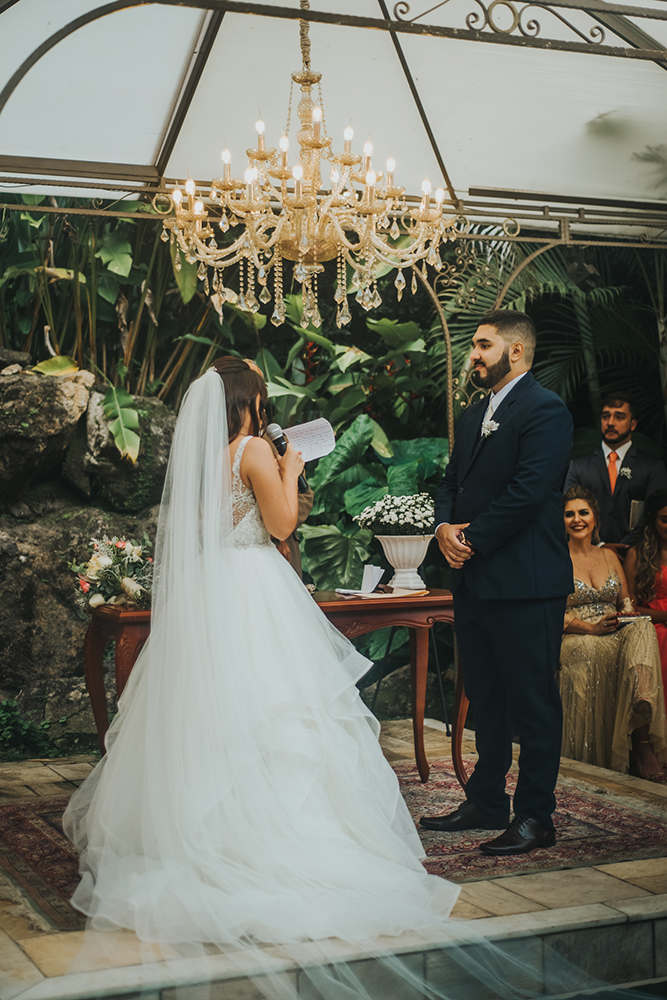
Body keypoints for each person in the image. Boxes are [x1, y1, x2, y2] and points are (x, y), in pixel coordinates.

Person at [63, 357, 459, 950]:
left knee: (212, 713)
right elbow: (279, 525)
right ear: (248, 395)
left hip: (210, 586)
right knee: (276, 709)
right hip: (253, 587)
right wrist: (293, 465)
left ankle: (205, 835)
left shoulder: (205, 458)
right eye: (261, 385)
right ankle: (277, 841)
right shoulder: (251, 450)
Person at [421, 310, 574, 855]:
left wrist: (472, 539)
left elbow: (530, 491)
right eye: (473, 347)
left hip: (526, 583)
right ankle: (487, 799)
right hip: (475, 583)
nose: (473, 355)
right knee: (484, 698)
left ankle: (536, 816)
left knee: (533, 702)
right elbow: (450, 481)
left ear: (515, 352)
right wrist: (443, 528)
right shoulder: (472, 415)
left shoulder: (546, 410)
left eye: (483, 345)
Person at [559, 486, 667, 780]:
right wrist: (591, 628)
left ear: (594, 518)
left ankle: (642, 726)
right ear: (563, 521)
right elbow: (552, 614)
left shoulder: (608, 556)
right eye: (569, 514)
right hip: (576, 632)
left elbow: (626, 600)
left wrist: (627, 615)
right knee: (591, 649)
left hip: (612, 627)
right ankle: (593, 757)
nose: (577, 519)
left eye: (583, 512)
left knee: (643, 624)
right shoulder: (555, 558)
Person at [564, 392, 667, 554]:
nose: (610, 422)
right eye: (606, 417)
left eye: (619, 417)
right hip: (591, 553)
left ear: (633, 424)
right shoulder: (579, 466)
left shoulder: (653, 467)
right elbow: (569, 511)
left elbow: (654, 515)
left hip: (639, 555)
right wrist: (600, 545)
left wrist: (625, 546)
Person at [625, 489, 667, 716]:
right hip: (649, 625)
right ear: (653, 520)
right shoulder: (637, 554)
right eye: (665, 520)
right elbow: (629, 607)